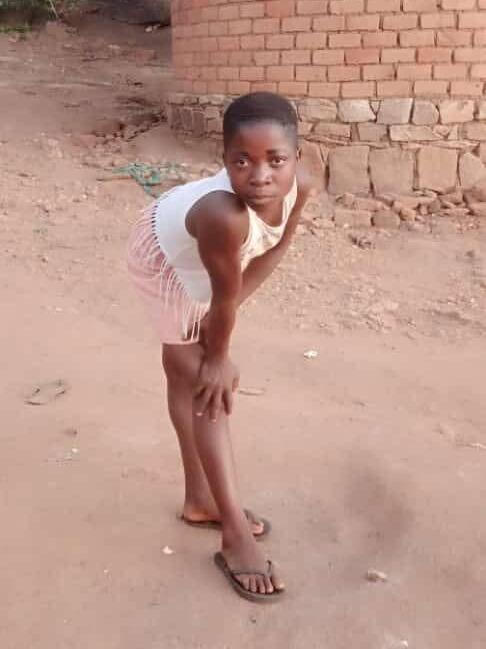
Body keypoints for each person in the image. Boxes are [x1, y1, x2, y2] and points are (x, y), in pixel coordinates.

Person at [127, 92, 312, 602]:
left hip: (206, 262)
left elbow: (274, 248)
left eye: (276, 160)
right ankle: (232, 533)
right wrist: (216, 356)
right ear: (223, 158)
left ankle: (200, 502)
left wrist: (214, 336)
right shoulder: (223, 214)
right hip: (164, 262)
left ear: (297, 156)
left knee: (192, 373)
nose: (260, 175)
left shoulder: (303, 184)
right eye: (241, 161)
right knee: (204, 386)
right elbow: (223, 293)